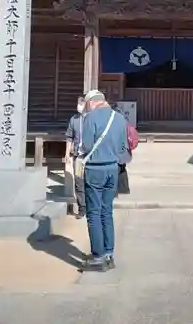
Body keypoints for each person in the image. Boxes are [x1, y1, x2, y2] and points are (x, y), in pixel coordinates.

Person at [79, 89, 128, 271]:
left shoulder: (90, 118)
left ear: (92, 102)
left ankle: (98, 256)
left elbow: (86, 145)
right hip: (112, 169)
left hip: (95, 169)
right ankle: (109, 253)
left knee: (93, 213)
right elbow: (124, 146)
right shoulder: (120, 118)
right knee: (107, 212)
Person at [65, 95, 86, 219]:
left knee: (90, 182)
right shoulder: (74, 119)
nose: (79, 106)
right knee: (79, 182)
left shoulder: (91, 119)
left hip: (90, 156)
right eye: (78, 103)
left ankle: (91, 206)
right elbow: (69, 137)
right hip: (78, 156)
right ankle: (82, 208)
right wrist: (67, 153)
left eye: (81, 103)